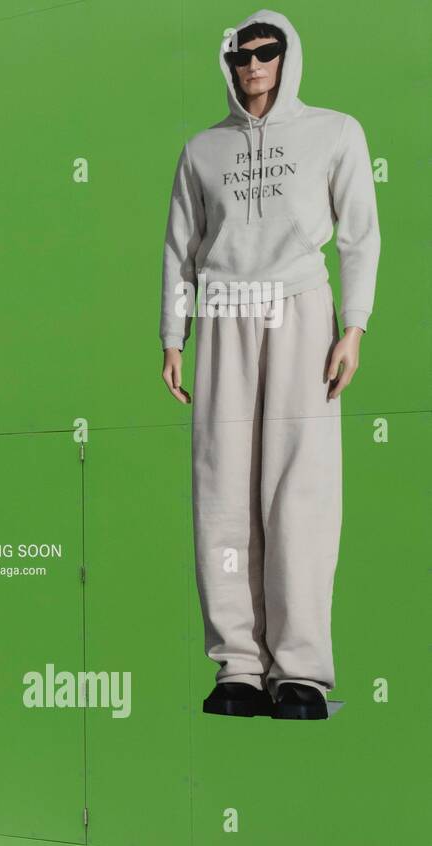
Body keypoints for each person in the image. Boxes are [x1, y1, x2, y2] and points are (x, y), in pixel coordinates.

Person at [159, 10, 380, 719]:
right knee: (222, 490)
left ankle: (302, 671)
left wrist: (355, 326)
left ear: (287, 57)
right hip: (223, 312)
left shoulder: (335, 133)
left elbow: (359, 237)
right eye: (241, 53)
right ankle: (238, 669)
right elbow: (180, 248)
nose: (253, 64)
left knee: (301, 487)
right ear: (227, 63)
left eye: (267, 51)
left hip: (301, 308)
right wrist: (173, 334)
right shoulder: (200, 149)